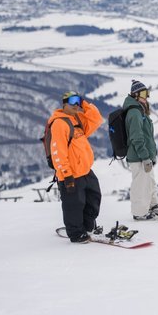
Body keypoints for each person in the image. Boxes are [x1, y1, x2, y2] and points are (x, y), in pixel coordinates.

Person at [48, 91, 104, 243]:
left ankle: (86, 226)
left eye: (78, 101)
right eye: (72, 101)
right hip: (70, 173)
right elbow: (57, 152)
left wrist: (83, 103)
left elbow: (96, 118)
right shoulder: (59, 123)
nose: (75, 104)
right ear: (64, 104)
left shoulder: (76, 119)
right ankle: (75, 233)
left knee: (94, 198)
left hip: (85, 170)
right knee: (74, 204)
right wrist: (66, 174)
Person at [124, 80, 158, 220]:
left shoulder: (140, 111)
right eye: (144, 94)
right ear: (135, 95)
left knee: (150, 181)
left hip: (145, 156)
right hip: (139, 157)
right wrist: (145, 156)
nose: (146, 97)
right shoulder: (134, 112)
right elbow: (137, 138)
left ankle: (153, 205)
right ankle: (139, 213)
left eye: (147, 93)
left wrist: (150, 155)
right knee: (140, 185)